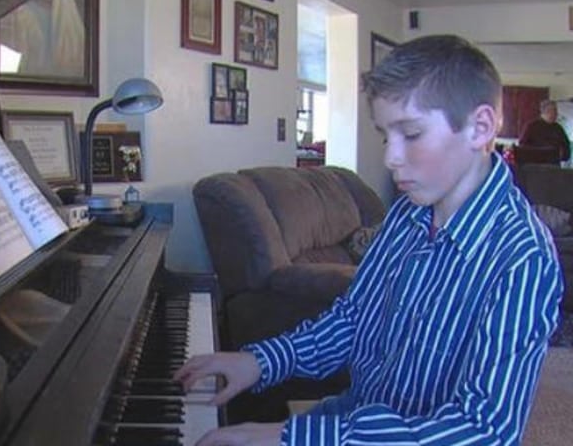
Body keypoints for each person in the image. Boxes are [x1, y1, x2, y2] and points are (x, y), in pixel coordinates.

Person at [175, 35, 564, 446]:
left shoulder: (523, 258)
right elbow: (354, 318)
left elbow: (483, 430)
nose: (390, 158)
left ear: (480, 127)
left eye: (411, 134)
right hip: (357, 416)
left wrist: (290, 437)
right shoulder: (407, 211)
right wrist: (258, 361)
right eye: (385, 136)